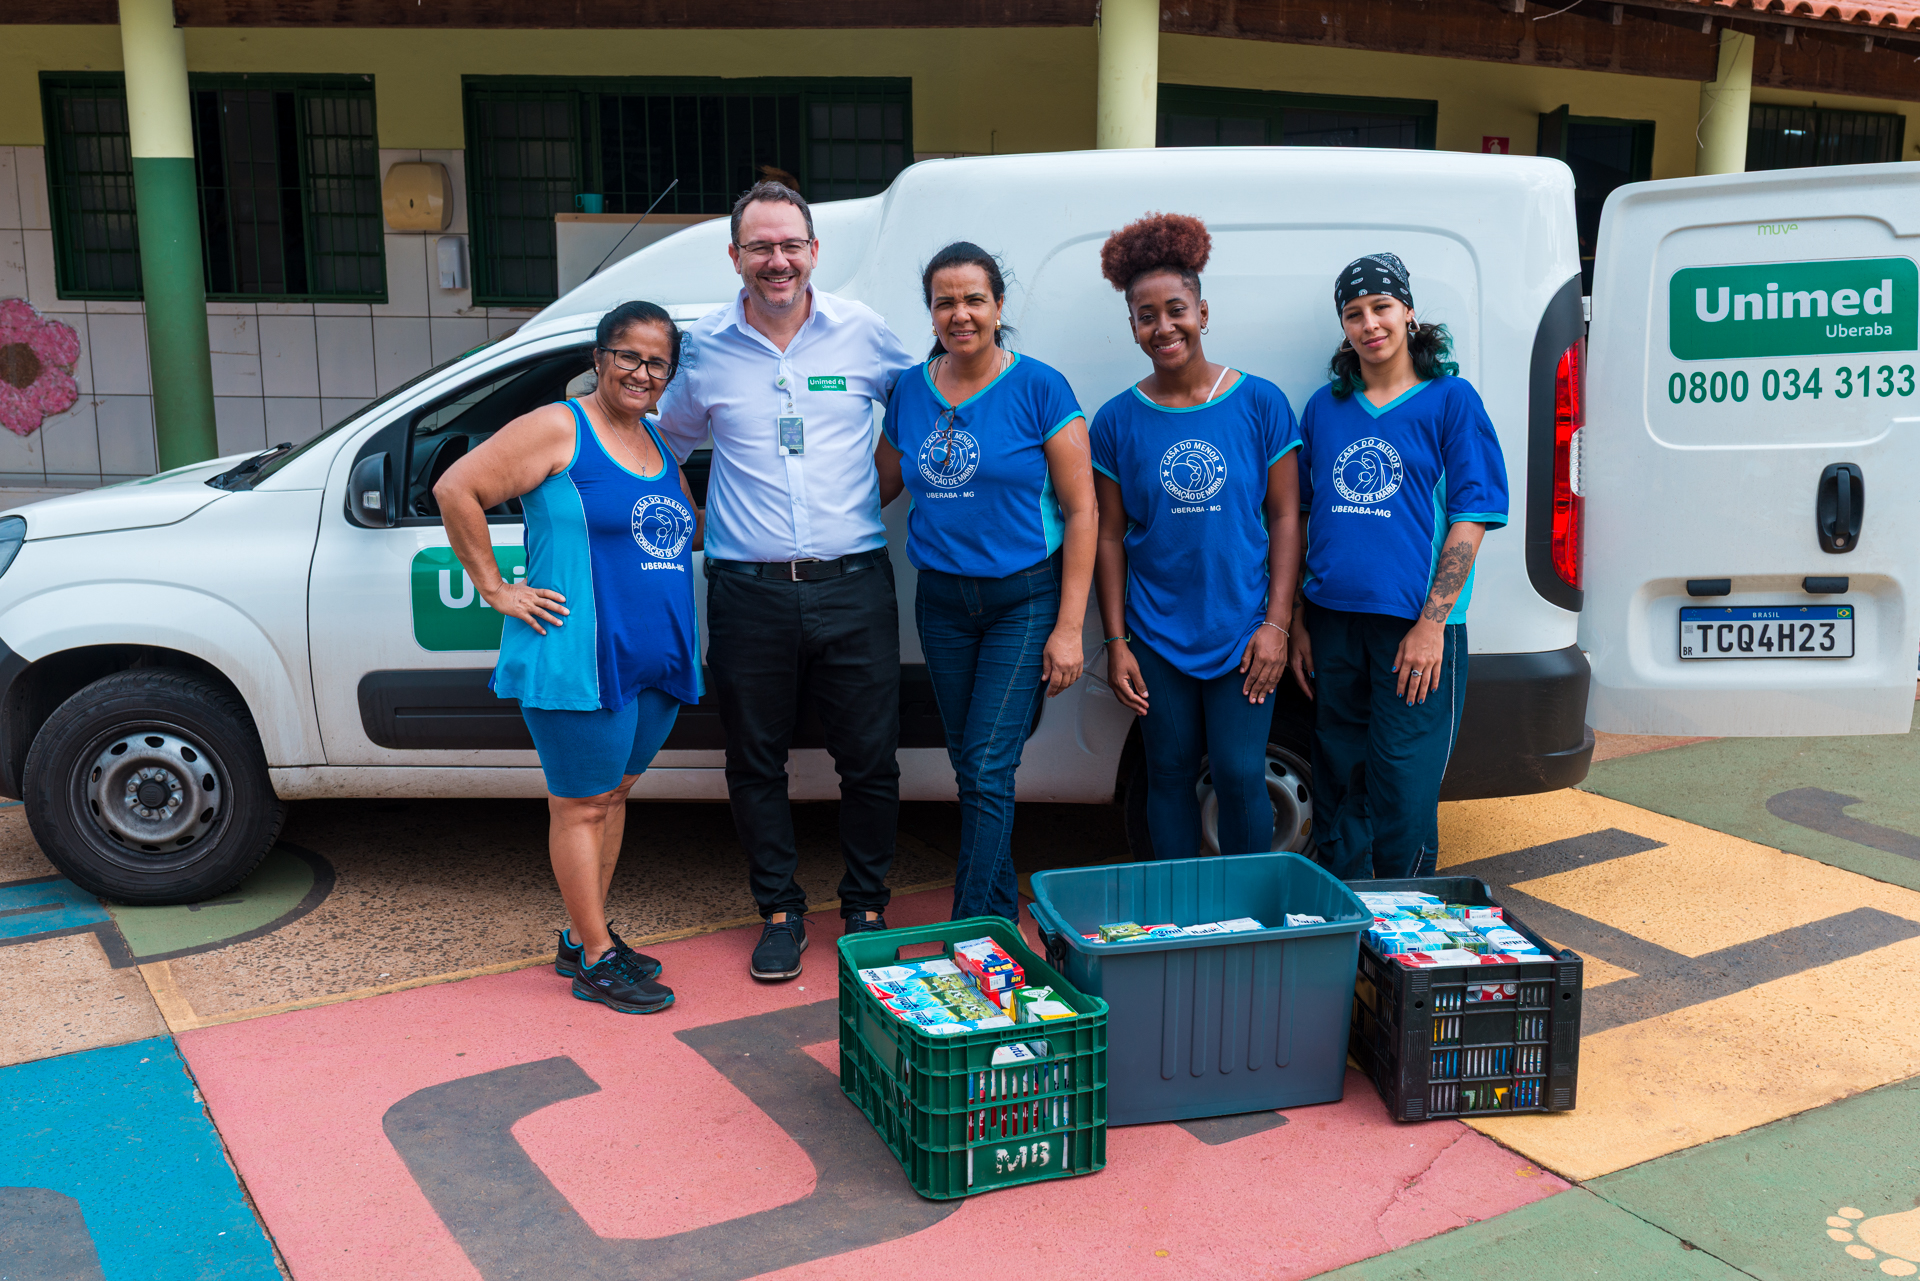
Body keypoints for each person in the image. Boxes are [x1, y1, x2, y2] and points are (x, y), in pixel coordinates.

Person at [654, 181, 916, 981]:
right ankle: (778, 909)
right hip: (748, 591)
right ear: (734, 256)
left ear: (813, 251)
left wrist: (862, 502)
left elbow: (919, 415)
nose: (778, 261)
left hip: (854, 583)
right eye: (760, 247)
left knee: (870, 758)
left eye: (790, 245)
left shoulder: (864, 334)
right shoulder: (701, 348)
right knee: (754, 759)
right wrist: (699, 524)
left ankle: (867, 903)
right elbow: (660, 445)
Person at [434, 301, 701, 1015]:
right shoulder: (562, 426)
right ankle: (595, 957)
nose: (642, 372)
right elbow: (458, 487)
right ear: (599, 357)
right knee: (580, 805)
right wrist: (495, 587)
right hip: (580, 657)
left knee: (610, 797)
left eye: (657, 362)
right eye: (629, 356)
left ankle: (585, 933)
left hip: (650, 662)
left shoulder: (658, 443)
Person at [875, 242, 1097, 923]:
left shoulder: (1040, 387)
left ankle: (971, 927)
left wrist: (1068, 627)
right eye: (945, 301)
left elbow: (1083, 507)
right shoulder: (911, 389)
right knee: (973, 763)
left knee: (988, 767)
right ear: (931, 313)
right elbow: (878, 487)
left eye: (974, 298)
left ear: (999, 306)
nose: (960, 313)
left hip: (1022, 597)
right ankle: (999, 909)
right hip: (941, 601)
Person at [1089, 213, 1303, 860]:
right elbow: (1107, 538)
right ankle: (1182, 920)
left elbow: (1288, 517)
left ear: (1202, 312)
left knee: (1241, 776)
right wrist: (1116, 640)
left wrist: (1278, 625)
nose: (1164, 327)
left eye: (1176, 309)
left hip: (1243, 631)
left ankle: (1248, 916)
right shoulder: (1116, 421)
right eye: (1146, 315)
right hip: (1156, 635)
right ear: (1132, 326)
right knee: (1170, 776)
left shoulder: (1260, 403)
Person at [1288, 253, 1509, 880]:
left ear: (1408, 314)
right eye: (1353, 314)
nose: (1369, 324)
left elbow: (1473, 515)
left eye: (1381, 308)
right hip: (1333, 624)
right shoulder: (1325, 408)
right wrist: (1302, 618)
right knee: (1338, 778)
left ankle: (1401, 925)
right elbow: (1306, 514)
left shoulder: (1450, 401)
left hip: (1413, 630)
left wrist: (1432, 624)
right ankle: (1346, 925)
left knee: (1401, 786)